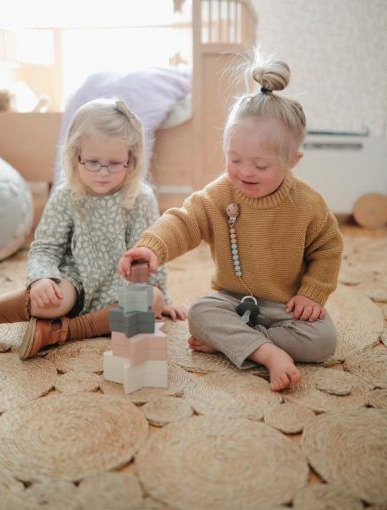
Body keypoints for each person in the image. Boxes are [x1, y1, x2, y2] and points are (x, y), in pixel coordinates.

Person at [118, 54, 343, 392]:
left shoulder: (308, 204)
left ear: (292, 160)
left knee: (323, 339)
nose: (245, 172)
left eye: (261, 165)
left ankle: (238, 343)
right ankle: (264, 351)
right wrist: (152, 248)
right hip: (233, 302)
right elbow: (185, 221)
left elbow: (328, 247)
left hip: (285, 305)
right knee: (200, 313)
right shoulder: (220, 194)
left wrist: (312, 293)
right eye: (234, 159)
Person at [0, 99, 187, 359]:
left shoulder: (141, 197)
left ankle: (61, 331)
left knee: (153, 301)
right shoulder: (66, 195)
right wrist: (41, 279)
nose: (102, 172)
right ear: (75, 156)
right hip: (75, 279)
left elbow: (150, 252)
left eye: (114, 163)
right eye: (92, 162)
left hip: (120, 286)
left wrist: (165, 298)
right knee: (46, 301)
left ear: (131, 160)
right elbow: (46, 248)